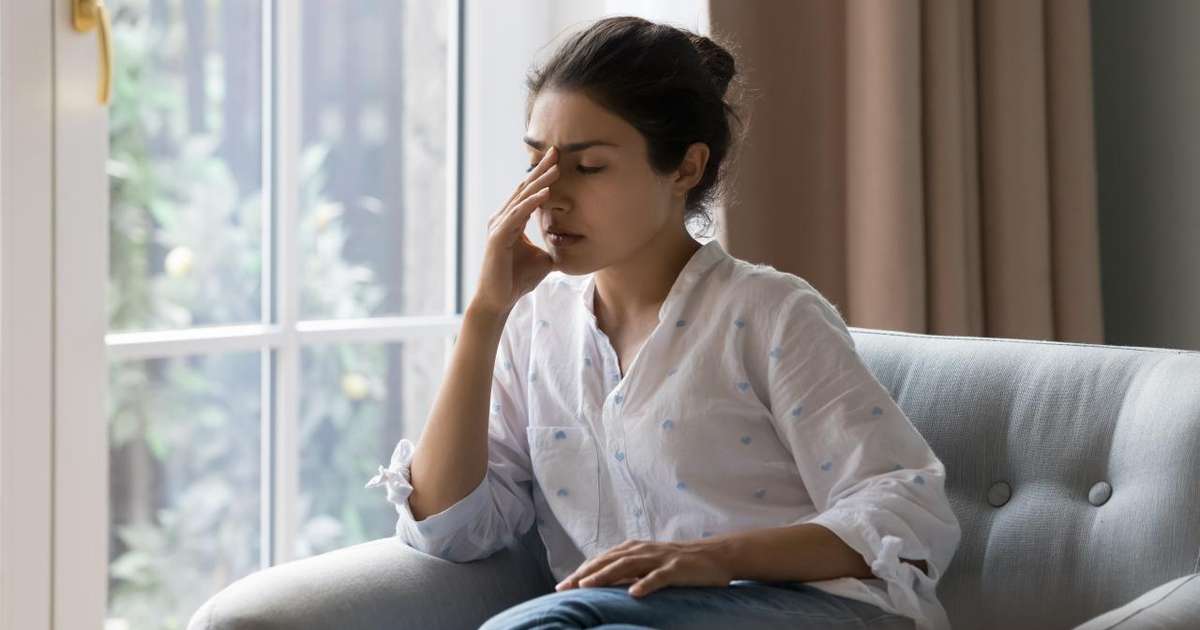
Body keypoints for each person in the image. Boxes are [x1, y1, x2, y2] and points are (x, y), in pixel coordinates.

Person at [366, 15, 960, 630]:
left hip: (819, 609)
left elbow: (906, 513)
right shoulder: (534, 327)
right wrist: (484, 315)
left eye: (587, 166)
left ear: (684, 169)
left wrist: (708, 559)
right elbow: (448, 529)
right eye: (536, 164)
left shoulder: (771, 314)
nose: (550, 197)